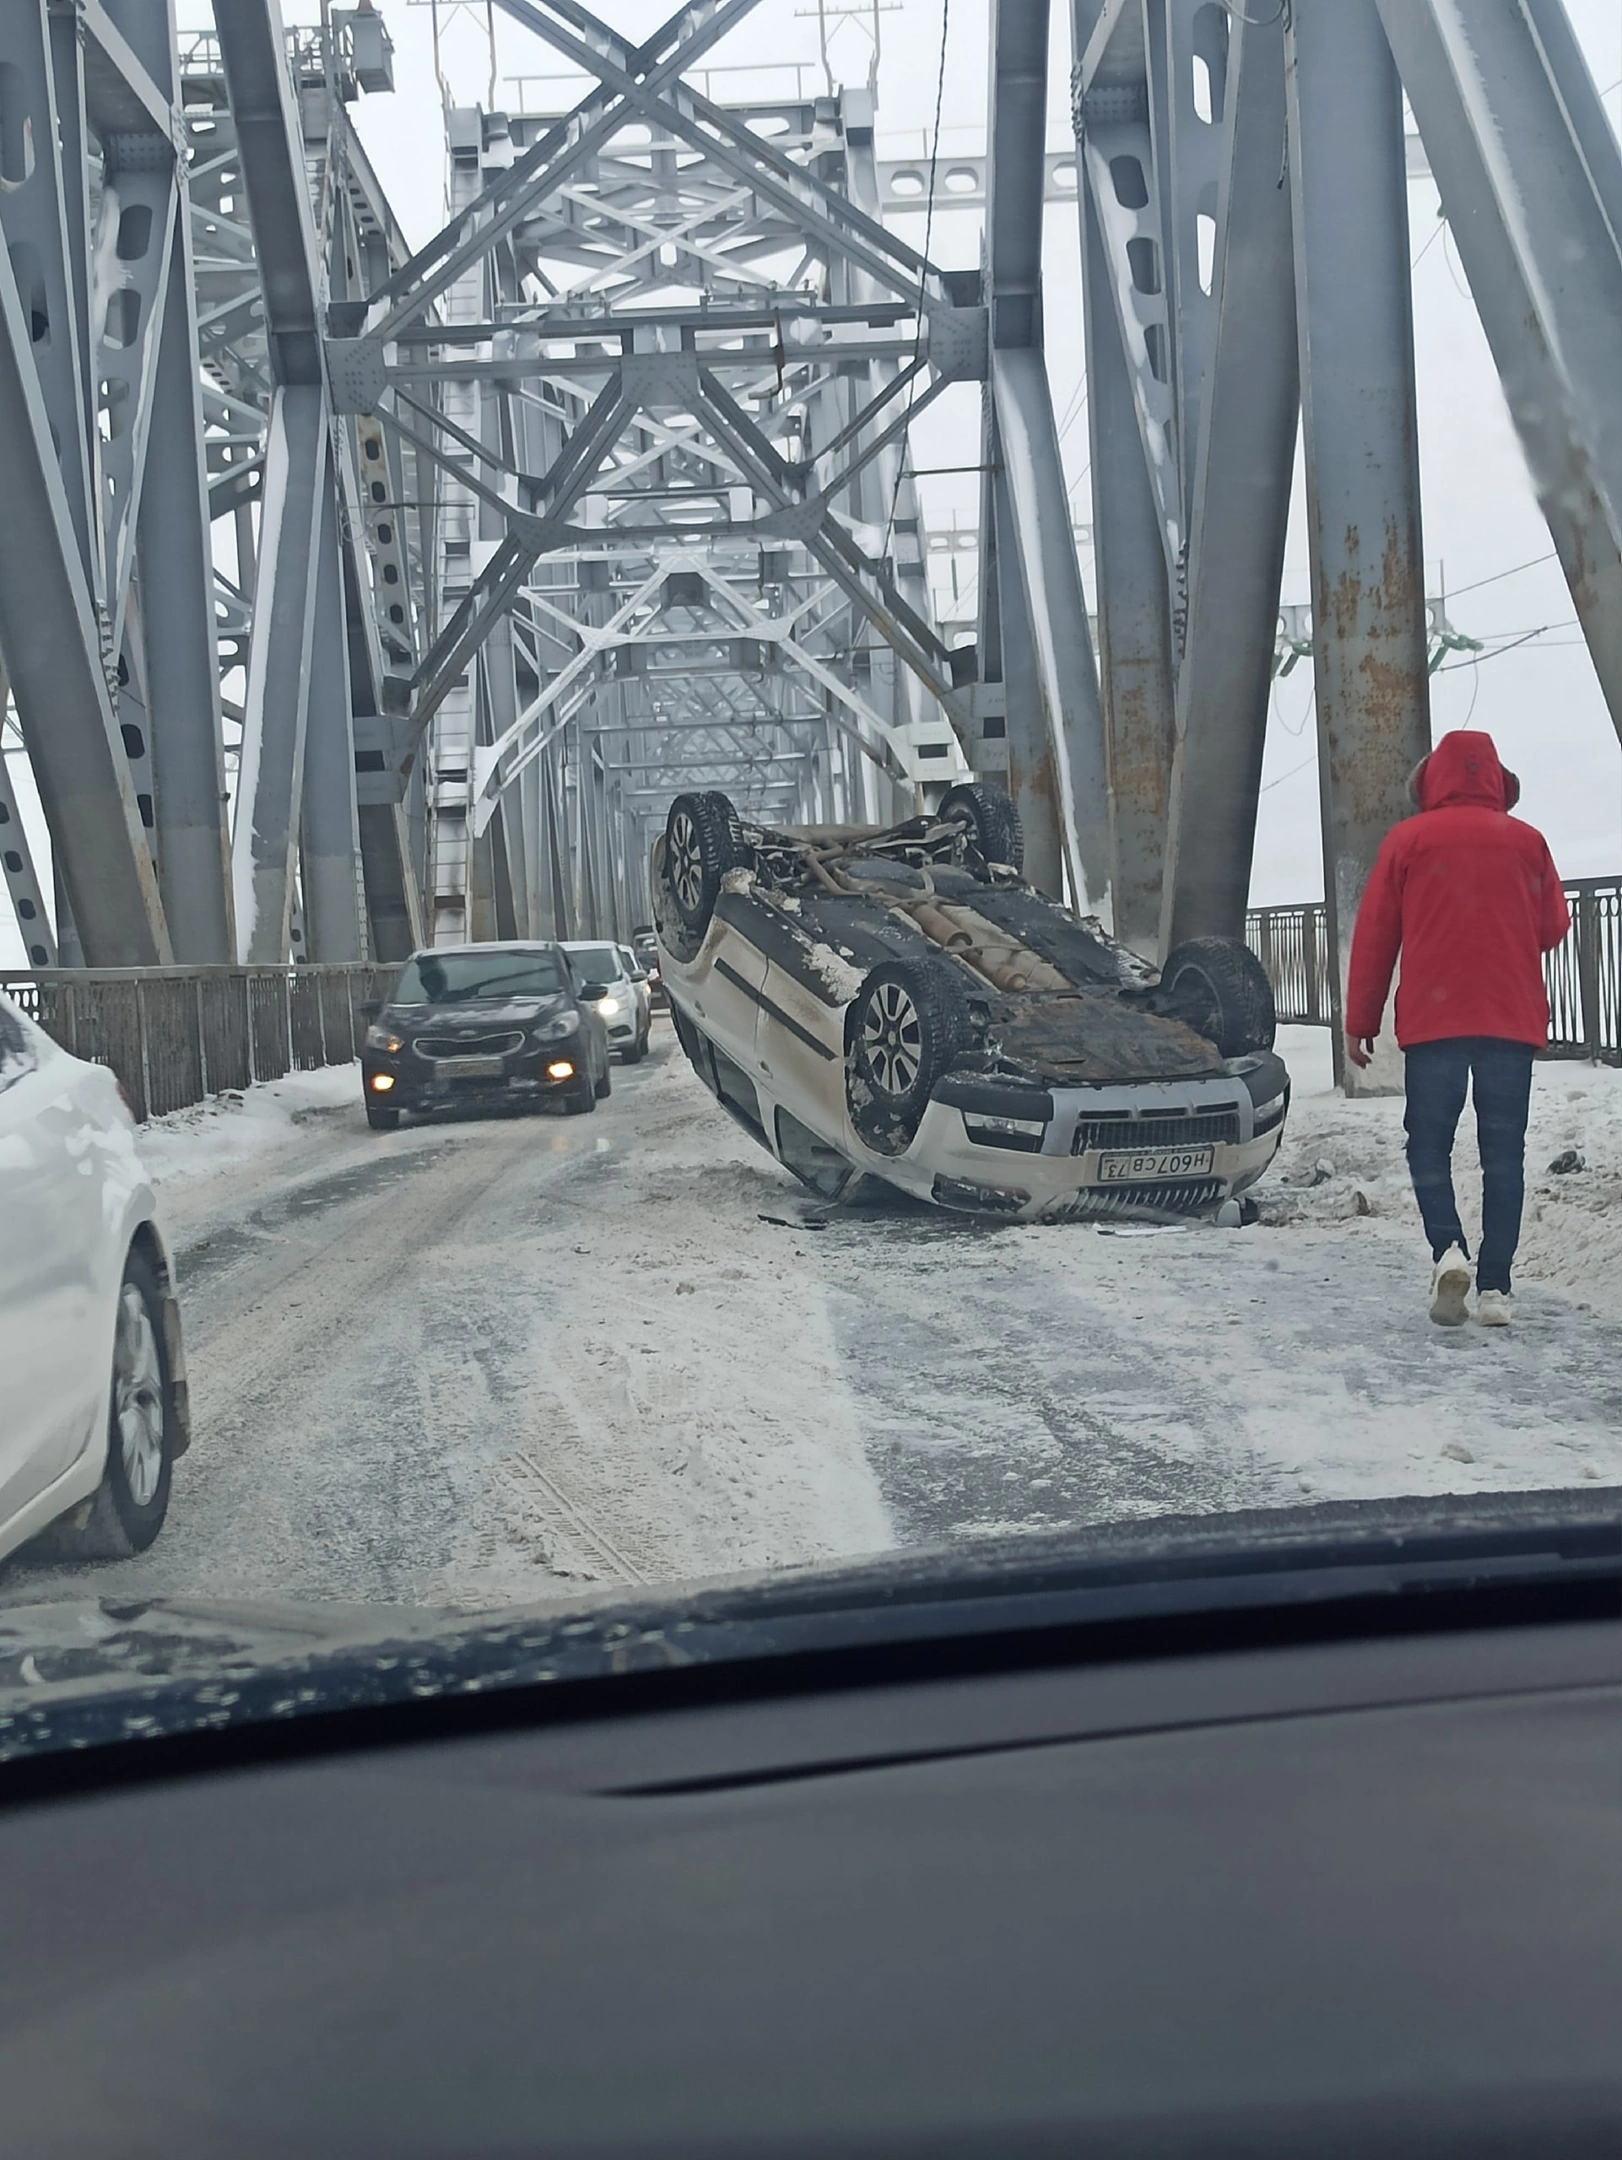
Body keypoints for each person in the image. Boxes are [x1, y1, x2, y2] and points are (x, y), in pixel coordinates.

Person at [1344, 729, 1569, 1329]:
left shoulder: (1408, 841)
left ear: (1433, 782)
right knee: (1503, 1154)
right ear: (1496, 780)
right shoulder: (1528, 842)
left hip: (1435, 1022)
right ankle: (1495, 1287)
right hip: (1509, 1020)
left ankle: (1447, 1250)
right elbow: (1553, 928)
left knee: (1428, 1144)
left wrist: (1359, 1022)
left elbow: (1374, 938)